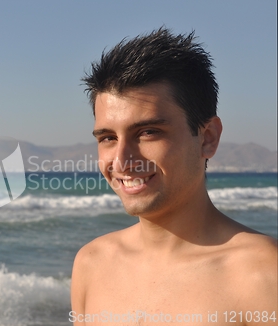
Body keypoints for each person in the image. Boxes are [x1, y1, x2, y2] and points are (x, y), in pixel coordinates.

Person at [70, 28, 277, 325]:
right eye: (107, 138)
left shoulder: (263, 275)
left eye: (148, 132)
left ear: (207, 138)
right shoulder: (91, 263)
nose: (122, 161)